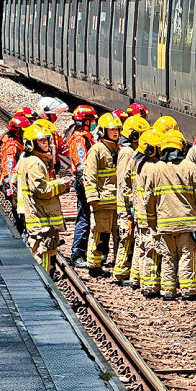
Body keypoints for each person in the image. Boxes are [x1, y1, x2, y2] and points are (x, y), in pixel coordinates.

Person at [144, 130, 196, 301]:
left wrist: (152, 222)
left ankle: (168, 291)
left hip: (164, 225)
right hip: (187, 224)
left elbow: (148, 198)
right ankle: (187, 290)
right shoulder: (189, 167)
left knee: (168, 257)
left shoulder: (155, 169)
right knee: (187, 255)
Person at [20, 122, 74, 279]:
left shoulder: (37, 160)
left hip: (44, 217)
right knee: (43, 252)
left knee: (48, 250)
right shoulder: (35, 163)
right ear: (32, 143)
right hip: (41, 219)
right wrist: (62, 184)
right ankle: (44, 284)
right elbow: (41, 190)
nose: (46, 144)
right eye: (42, 141)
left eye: (47, 140)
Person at [83, 112, 122, 276]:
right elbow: (89, 175)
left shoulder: (118, 149)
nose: (115, 132)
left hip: (117, 202)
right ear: (103, 131)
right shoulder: (97, 150)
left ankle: (119, 267)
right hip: (102, 201)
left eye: (117, 129)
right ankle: (94, 266)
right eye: (111, 129)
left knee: (120, 236)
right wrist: (92, 198)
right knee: (99, 234)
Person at [113, 115, 151, 282]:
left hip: (130, 203)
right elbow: (123, 181)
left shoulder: (131, 150)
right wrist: (127, 207)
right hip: (126, 204)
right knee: (127, 238)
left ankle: (126, 271)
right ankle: (120, 273)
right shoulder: (128, 152)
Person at [131, 129, 163, 296]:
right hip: (149, 216)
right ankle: (149, 286)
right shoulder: (152, 167)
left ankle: (137, 279)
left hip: (141, 214)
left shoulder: (140, 164)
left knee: (142, 247)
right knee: (151, 250)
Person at [67, 105, 97, 268]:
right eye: (91, 120)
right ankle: (77, 253)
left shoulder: (85, 136)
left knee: (86, 217)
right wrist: (88, 186)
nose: (93, 123)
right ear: (86, 121)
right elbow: (81, 165)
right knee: (84, 217)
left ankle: (83, 252)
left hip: (86, 181)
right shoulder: (79, 139)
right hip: (84, 182)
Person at [0, 115, 30, 235]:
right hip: (13, 186)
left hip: (16, 184)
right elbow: (9, 168)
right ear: (17, 131)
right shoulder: (12, 147)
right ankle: (18, 236)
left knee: (19, 214)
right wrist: (10, 186)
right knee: (19, 214)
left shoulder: (16, 144)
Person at [36, 97, 69, 172]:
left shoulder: (53, 132)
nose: (55, 117)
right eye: (53, 114)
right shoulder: (37, 132)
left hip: (52, 169)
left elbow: (61, 149)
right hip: (42, 169)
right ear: (45, 114)